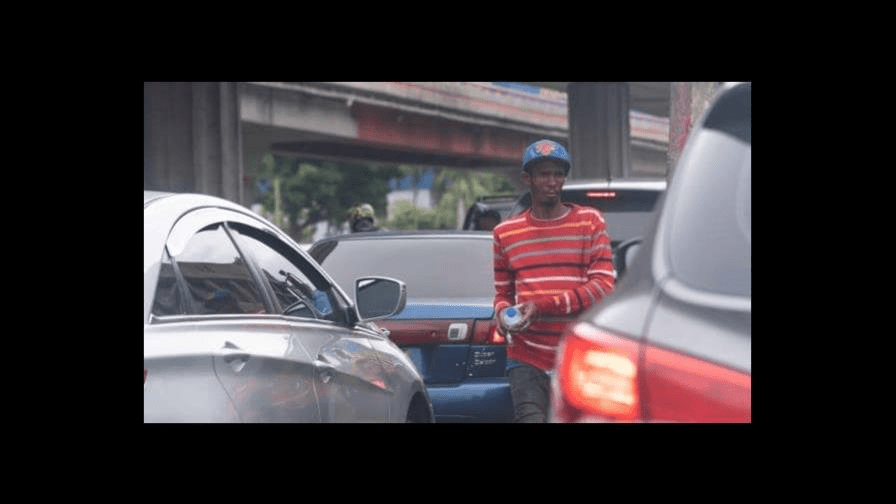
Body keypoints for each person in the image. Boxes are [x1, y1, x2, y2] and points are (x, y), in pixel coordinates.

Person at [492, 139, 616, 422]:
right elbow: (502, 294)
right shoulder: (505, 233)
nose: (552, 182)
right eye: (544, 174)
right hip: (526, 357)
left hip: (578, 353)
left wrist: (542, 306)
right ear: (527, 179)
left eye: (558, 174)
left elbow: (602, 286)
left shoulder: (590, 222)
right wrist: (502, 314)